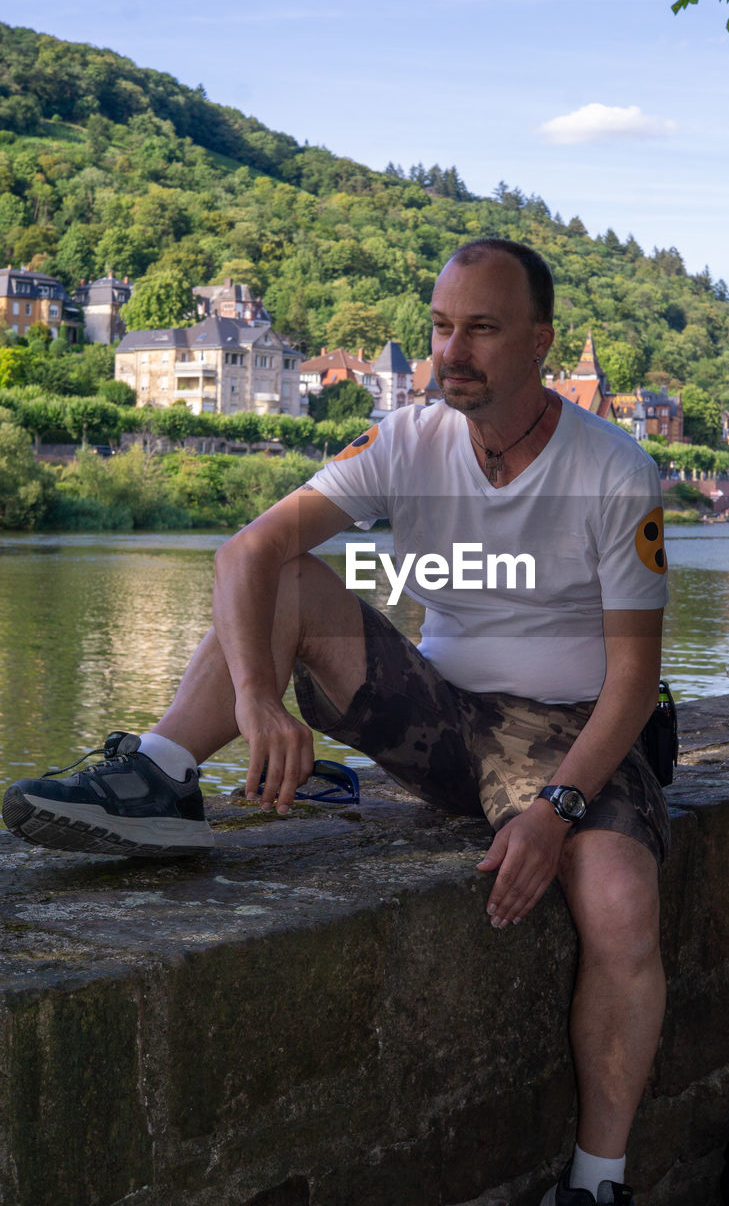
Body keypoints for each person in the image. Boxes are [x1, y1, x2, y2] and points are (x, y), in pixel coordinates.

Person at [3, 239, 669, 1206]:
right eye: (442, 328)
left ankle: (596, 1183)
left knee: (618, 906)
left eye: (480, 328)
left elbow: (634, 683)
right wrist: (255, 702)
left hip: (564, 732)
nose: (453, 352)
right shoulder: (406, 439)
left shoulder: (615, 471)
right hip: (439, 716)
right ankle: (158, 773)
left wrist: (559, 807)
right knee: (290, 575)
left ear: (539, 342)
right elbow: (245, 552)